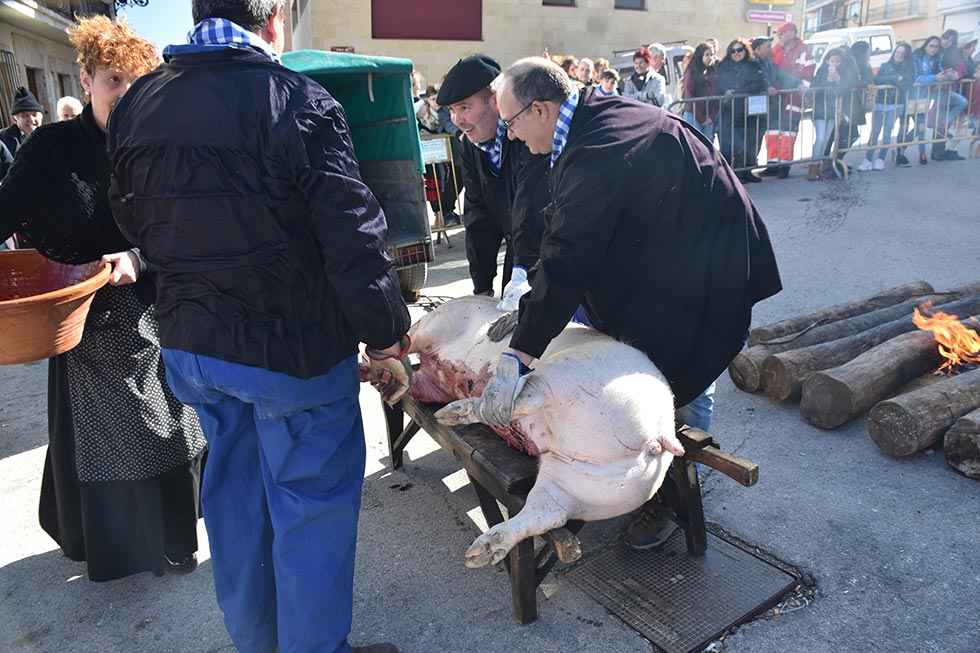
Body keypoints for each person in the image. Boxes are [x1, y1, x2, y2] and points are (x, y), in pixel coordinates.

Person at [107, 2, 409, 651]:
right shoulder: (298, 100)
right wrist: (385, 331)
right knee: (310, 515)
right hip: (293, 355)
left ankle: (258, 642)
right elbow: (353, 235)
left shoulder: (139, 106)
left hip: (197, 349)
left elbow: (132, 222)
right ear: (270, 17)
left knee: (236, 502)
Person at [444, 57, 781, 550]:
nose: (511, 136)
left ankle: (668, 494)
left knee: (676, 375)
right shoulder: (583, 124)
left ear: (541, 108)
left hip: (707, 271)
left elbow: (567, 259)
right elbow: (558, 234)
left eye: (512, 122)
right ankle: (648, 471)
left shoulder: (600, 148)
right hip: (664, 259)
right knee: (632, 349)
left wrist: (519, 355)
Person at [0, 16, 206, 582]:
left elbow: (182, 227)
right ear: (86, 78)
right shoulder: (49, 147)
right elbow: (7, 208)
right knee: (102, 438)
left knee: (165, 425)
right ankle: (113, 549)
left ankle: (170, 540)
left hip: (148, 309)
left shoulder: (159, 145)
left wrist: (139, 258)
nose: (124, 93)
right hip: (77, 316)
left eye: (135, 82)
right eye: (113, 80)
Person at [437, 54, 549, 308]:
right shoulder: (470, 147)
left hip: (548, 251)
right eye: (452, 111)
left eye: (464, 107)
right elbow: (478, 216)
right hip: (517, 247)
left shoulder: (525, 135)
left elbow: (530, 206)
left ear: (495, 101)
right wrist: (482, 287)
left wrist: (521, 272)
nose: (457, 120)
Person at [714, 38, 768, 182]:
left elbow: (759, 84)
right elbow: (720, 86)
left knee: (750, 143)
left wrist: (737, 91)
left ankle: (747, 172)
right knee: (733, 144)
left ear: (745, 50)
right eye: (733, 51)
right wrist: (729, 92)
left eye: (740, 50)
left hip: (750, 111)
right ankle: (733, 176)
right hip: (730, 111)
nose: (736, 53)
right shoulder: (723, 66)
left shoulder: (753, 65)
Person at [768, 23, 814, 178]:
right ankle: (772, 164)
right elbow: (770, 68)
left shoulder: (804, 50)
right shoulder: (777, 49)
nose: (780, 36)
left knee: (788, 132)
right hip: (776, 98)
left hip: (794, 98)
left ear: (793, 33)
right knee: (773, 131)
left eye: (783, 33)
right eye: (779, 34)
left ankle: (784, 165)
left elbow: (807, 75)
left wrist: (800, 88)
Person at [860, 42, 915, 171]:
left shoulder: (908, 69)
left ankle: (881, 159)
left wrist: (891, 79)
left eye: (902, 53)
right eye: (897, 52)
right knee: (874, 133)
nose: (899, 55)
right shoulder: (885, 65)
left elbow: (905, 86)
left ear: (906, 56)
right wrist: (895, 78)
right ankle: (867, 159)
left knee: (887, 133)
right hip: (880, 102)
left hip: (895, 104)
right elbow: (877, 80)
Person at [808, 48, 858, 180]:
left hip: (833, 111)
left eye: (838, 61)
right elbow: (814, 88)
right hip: (820, 110)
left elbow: (842, 91)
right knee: (820, 139)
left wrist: (837, 80)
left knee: (826, 140)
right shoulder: (821, 71)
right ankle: (812, 167)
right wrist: (828, 80)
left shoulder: (843, 73)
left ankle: (819, 166)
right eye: (832, 61)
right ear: (827, 61)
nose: (834, 64)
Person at [911, 36, 959, 165]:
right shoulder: (916, 58)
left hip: (927, 97)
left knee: (919, 128)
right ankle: (913, 153)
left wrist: (949, 75)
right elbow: (915, 77)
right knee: (919, 128)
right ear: (925, 45)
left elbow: (941, 74)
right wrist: (934, 77)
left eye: (936, 47)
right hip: (913, 97)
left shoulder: (936, 60)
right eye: (931, 45)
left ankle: (914, 153)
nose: (933, 49)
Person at [932, 29, 969, 160]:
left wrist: (955, 74)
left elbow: (960, 70)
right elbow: (959, 69)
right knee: (937, 121)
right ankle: (938, 152)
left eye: (948, 39)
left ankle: (939, 152)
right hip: (942, 90)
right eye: (945, 38)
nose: (945, 41)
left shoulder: (951, 52)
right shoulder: (946, 52)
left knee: (939, 121)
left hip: (947, 89)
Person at [681, 41, 718, 142]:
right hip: (693, 114)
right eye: (707, 55)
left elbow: (717, 95)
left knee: (708, 145)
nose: (710, 57)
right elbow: (689, 95)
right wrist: (702, 118)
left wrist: (711, 116)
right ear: (700, 55)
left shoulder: (713, 71)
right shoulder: (692, 71)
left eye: (712, 54)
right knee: (695, 144)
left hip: (708, 115)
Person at [0, 86, 44, 159]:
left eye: (34, 115)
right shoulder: (3, 139)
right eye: (25, 116)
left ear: (41, 116)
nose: (31, 120)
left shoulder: (49, 134)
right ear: (14, 119)